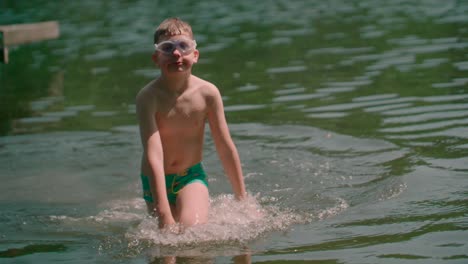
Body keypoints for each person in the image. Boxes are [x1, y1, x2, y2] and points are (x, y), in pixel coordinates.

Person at [136, 17, 247, 229]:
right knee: (165, 240)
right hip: (155, 179)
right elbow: (153, 153)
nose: (176, 54)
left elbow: (224, 146)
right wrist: (163, 210)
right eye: (167, 48)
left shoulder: (208, 93)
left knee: (192, 229)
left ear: (195, 55)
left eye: (183, 46)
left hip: (191, 176)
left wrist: (242, 198)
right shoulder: (148, 97)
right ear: (156, 58)